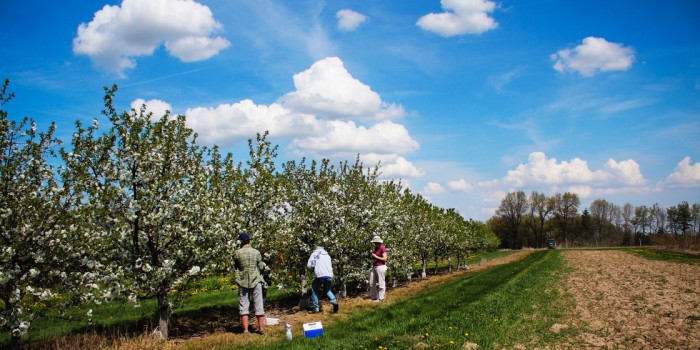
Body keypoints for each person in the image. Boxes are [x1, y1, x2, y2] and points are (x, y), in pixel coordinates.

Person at [233, 233, 266, 334]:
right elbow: (260, 267)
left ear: (241, 242)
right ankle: (261, 329)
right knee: (259, 304)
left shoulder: (237, 253)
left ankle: (246, 330)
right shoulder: (256, 252)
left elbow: (235, 266)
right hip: (256, 280)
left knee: (244, 305)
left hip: (243, 281)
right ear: (249, 241)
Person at [307, 245, 339, 313]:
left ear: (315, 249)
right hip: (329, 276)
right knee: (327, 290)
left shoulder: (314, 254)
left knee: (314, 290)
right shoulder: (327, 255)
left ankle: (316, 309)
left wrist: (311, 270)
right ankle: (334, 301)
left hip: (320, 275)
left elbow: (309, 265)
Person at [368, 235, 388, 302]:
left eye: (375, 242)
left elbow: (385, 259)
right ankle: (374, 297)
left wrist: (375, 256)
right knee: (371, 283)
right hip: (375, 266)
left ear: (378, 242)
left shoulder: (382, 248)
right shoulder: (376, 248)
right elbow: (374, 259)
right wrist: (372, 254)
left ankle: (381, 298)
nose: (374, 244)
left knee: (381, 283)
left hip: (381, 267)